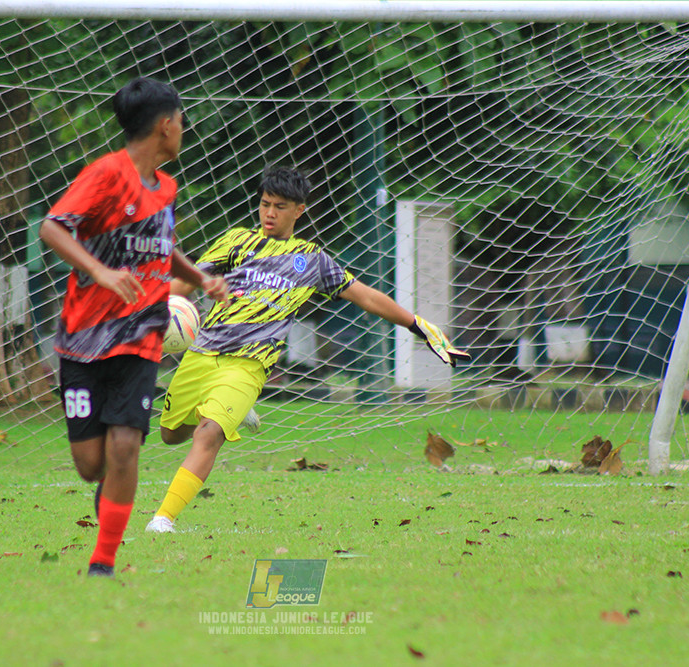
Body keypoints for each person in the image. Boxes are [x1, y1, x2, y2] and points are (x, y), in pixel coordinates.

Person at [145, 165, 468, 533]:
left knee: (209, 433)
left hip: (249, 364)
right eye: (265, 204)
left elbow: (365, 296)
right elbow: (186, 284)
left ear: (299, 210)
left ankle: (163, 519)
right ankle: (236, 410)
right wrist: (145, 307)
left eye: (279, 207)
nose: (269, 213)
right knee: (170, 435)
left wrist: (418, 325)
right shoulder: (235, 240)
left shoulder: (311, 260)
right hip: (202, 352)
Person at [39, 77, 228, 576]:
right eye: (182, 121)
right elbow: (52, 227)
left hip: (141, 335)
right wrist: (100, 272)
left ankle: (102, 562)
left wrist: (199, 278)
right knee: (91, 465)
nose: (184, 129)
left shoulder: (167, 187)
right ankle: (109, 487)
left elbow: (161, 246)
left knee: (126, 445)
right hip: (83, 339)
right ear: (165, 125)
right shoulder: (106, 174)